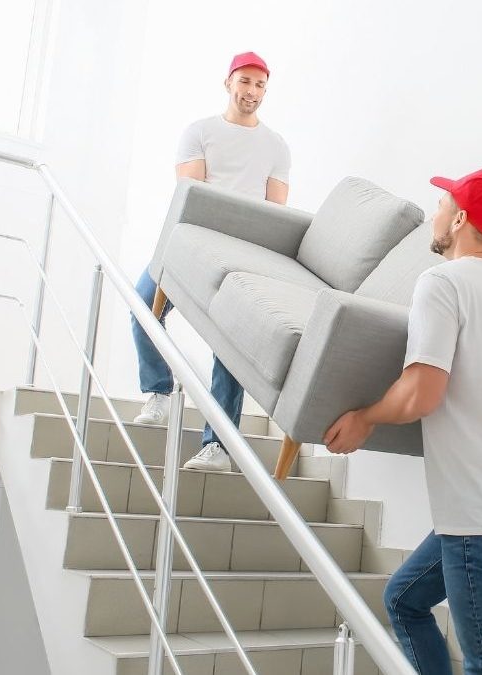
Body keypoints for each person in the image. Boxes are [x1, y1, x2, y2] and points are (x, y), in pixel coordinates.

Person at [323, 168, 482, 674]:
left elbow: (421, 392)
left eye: (440, 205)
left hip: (479, 513)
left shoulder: (442, 283)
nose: (434, 214)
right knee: (404, 600)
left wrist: (365, 418)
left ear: (459, 219)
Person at [131, 51, 291, 471]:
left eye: (260, 84)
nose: (252, 91)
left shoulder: (276, 146)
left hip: (242, 252)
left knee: (231, 345)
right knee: (143, 303)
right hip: (190, 241)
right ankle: (159, 390)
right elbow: (193, 195)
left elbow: (274, 213)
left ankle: (219, 445)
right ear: (228, 83)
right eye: (245, 81)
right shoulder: (199, 131)